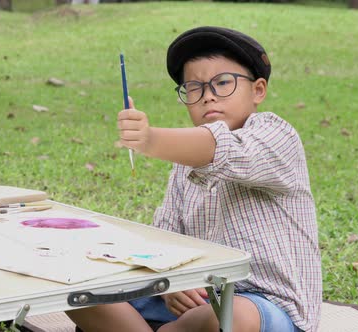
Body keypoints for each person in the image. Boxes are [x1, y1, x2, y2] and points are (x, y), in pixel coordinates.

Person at [66, 26, 322, 332]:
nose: (208, 97)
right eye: (194, 87)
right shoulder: (184, 165)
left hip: (266, 305)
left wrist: (149, 139)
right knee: (77, 285)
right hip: (195, 298)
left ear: (258, 91)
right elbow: (163, 242)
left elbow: (221, 148)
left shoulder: (276, 135)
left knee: (230, 316)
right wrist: (172, 285)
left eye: (223, 83)